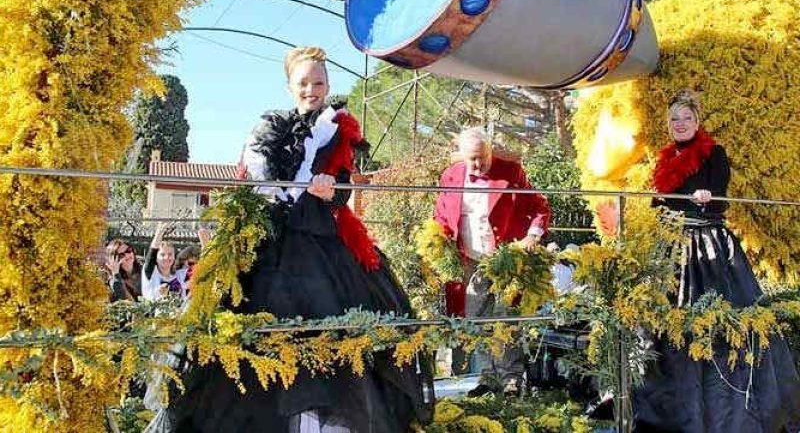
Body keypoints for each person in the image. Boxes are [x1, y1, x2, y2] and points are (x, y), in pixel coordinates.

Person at [160, 47, 433, 433]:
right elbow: (252, 183)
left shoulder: (340, 129)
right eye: (303, 83)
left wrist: (330, 190)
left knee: (331, 332)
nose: (311, 89)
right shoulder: (268, 129)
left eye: (318, 82)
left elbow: (342, 192)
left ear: (328, 85)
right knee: (260, 330)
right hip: (270, 243)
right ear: (290, 86)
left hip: (323, 244)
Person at [633, 90, 800, 433]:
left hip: (708, 248)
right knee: (666, 326)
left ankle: (727, 412)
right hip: (671, 247)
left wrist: (708, 198)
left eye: (686, 118)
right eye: (674, 120)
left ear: (698, 122)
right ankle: (670, 408)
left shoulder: (714, 154)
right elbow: (659, 204)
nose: (680, 125)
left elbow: (719, 195)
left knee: (716, 321)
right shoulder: (665, 160)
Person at [433, 127, 551, 396]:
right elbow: (440, 214)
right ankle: (487, 378)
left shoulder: (511, 172)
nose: (478, 164)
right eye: (472, 159)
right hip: (470, 258)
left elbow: (539, 206)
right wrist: (438, 244)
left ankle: (511, 378)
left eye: (482, 157)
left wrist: (532, 235)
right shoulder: (450, 176)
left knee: (506, 316)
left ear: (490, 150)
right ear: (461, 156)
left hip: (505, 257)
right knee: (478, 318)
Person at [142, 225, 188, 302]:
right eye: (162, 254)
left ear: (174, 257)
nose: (166, 257)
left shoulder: (179, 275)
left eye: (170, 254)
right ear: (156, 258)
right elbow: (152, 253)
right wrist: (159, 233)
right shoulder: (150, 273)